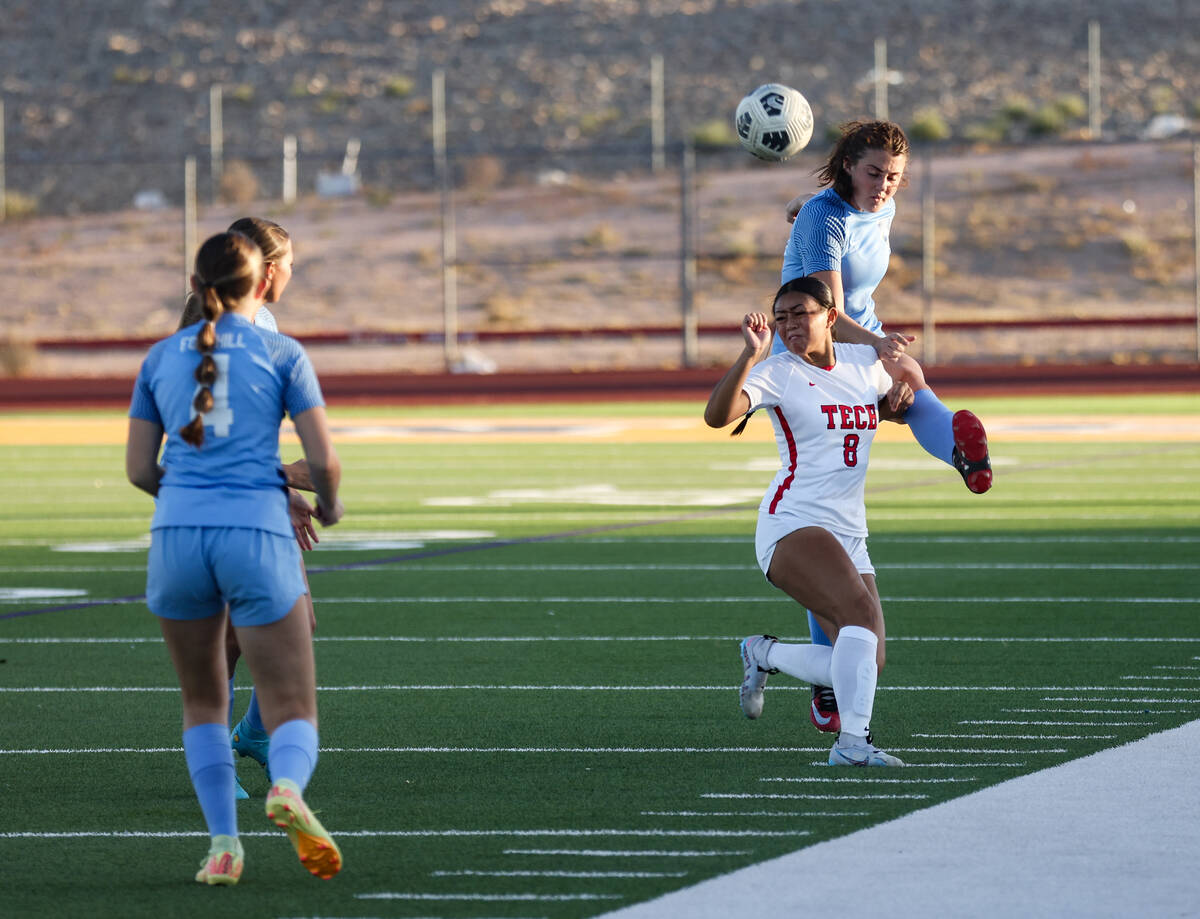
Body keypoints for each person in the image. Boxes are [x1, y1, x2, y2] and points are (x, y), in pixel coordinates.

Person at [127, 231, 344, 883]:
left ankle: (224, 843)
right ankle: (285, 786)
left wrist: (191, 498)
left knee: (202, 703)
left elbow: (140, 469)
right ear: (262, 285)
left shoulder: (160, 357)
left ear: (196, 288)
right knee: (292, 704)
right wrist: (328, 504)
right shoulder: (282, 350)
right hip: (255, 533)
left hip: (178, 539)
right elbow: (325, 458)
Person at [777, 121, 992, 735]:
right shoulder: (826, 222)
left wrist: (884, 352)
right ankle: (953, 443)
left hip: (859, 345)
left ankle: (964, 452)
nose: (884, 186)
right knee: (830, 516)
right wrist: (882, 346)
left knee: (908, 387)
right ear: (847, 164)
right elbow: (827, 316)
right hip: (818, 357)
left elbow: (819, 211)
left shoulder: (874, 205)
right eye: (874, 173)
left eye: (894, 177)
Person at [705, 275, 928, 766]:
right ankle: (852, 746)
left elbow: (889, 401)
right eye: (781, 317)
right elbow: (717, 416)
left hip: (850, 529)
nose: (789, 325)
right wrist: (750, 356)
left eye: (799, 314)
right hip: (794, 522)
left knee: (866, 657)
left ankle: (763, 654)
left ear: (830, 317)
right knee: (861, 619)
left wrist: (901, 402)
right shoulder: (779, 372)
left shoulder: (861, 362)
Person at [180, 217, 315, 801]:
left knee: (294, 621)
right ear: (263, 268)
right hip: (220, 498)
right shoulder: (219, 327)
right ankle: (221, 770)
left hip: (255, 492)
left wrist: (280, 486)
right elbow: (207, 431)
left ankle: (255, 736)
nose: (293, 270)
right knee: (229, 639)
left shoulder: (267, 323)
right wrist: (285, 480)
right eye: (287, 261)